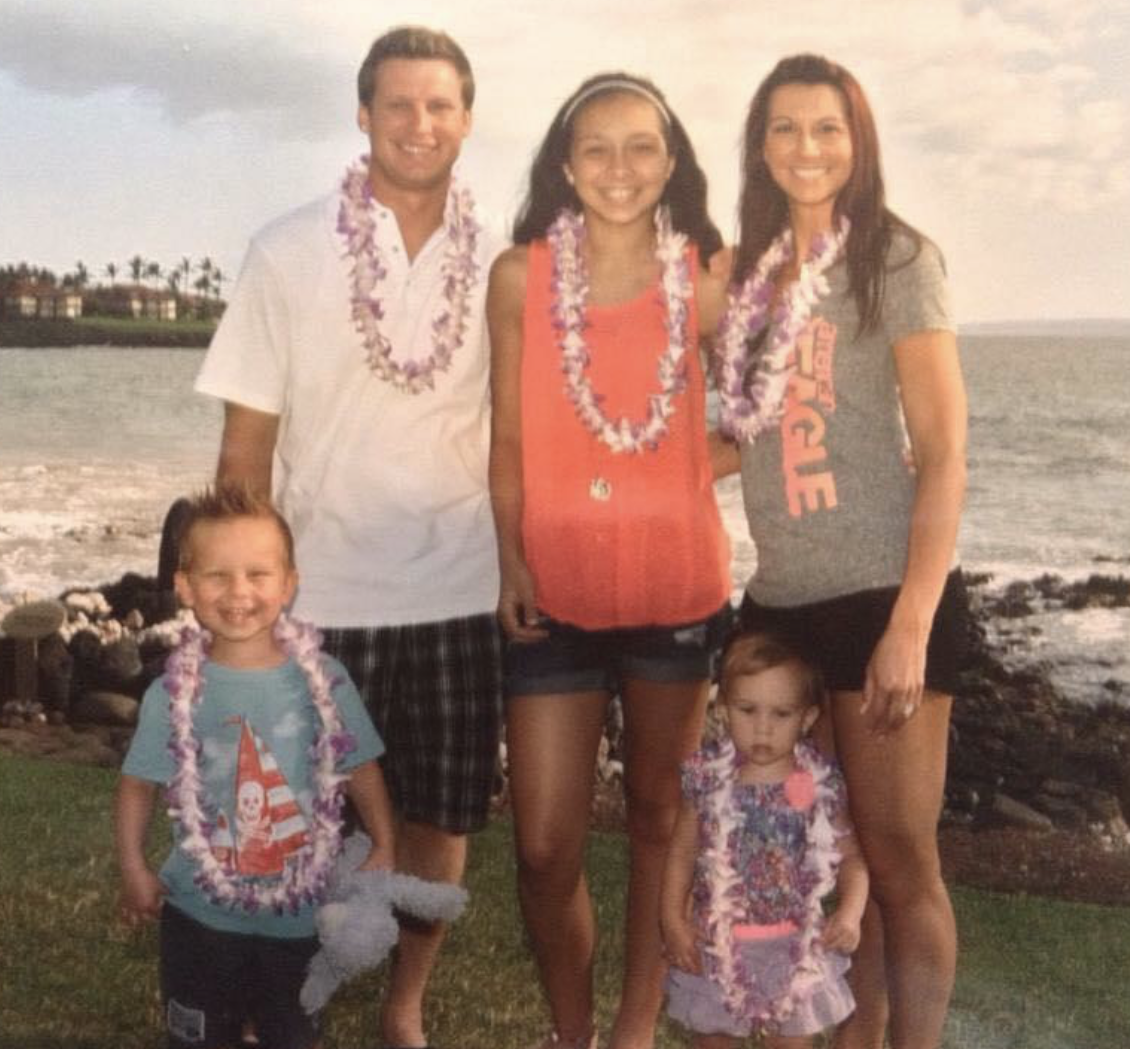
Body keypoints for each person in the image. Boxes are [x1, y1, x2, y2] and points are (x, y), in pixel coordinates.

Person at [193, 26, 503, 1049]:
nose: (421, 124)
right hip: (324, 591)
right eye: (399, 104)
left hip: (461, 582)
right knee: (296, 820)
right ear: (364, 115)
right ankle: (280, 999)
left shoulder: (501, 259)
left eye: (441, 105)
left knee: (440, 818)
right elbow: (247, 444)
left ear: (467, 117)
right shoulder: (286, 249)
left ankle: (403, 1003)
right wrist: (240, 603)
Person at [716, 55, 969, 1049]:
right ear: (760, 144)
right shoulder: (751, 275)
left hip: (879, 596)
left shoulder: (899, 260)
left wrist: (909, 625)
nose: (806, 147)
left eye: (827, 128)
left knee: (900, 862)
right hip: (778, 602)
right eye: (784, 128)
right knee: (815, 860)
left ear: (857, 142)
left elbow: (945, 452)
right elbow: (748, 436)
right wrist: (612, 486)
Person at [487, 72, 734, 1049]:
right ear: (564, 164)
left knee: (655, 819)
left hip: (676, 589)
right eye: (597, 147)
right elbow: (507, 439)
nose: (620, 167)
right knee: (545, 842)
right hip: (553, 590)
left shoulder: (711, 275)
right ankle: (569, 1030)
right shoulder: (521, 276)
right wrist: (510, 557)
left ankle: (631, 1029)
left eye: (642, 146)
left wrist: (678, 477)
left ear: (671, 162)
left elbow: (763, 414)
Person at [114, 484, 396, 1049]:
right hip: (198, 916)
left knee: (291, 1033)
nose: (238, 592)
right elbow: (138, 785)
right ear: (186, 587)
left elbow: (360, 765)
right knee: (199, 1035)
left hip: (299, 916)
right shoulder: (173, 692)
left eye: (258, 574)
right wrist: (133, 865)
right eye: (217, 576)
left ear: (290, 583)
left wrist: (385, 843)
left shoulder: (325, 681)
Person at [661, 631, 868, 1049]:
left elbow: (852, 860)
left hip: (793, 946)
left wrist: (849, 912)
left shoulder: (818, 784)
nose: (762, 728)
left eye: (781, 714)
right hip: (717, 944)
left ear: (807, 719)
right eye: (747, 710)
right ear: (722, 708)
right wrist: (672, 920)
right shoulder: (706, 777)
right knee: (714, 1039)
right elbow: (681, 854)